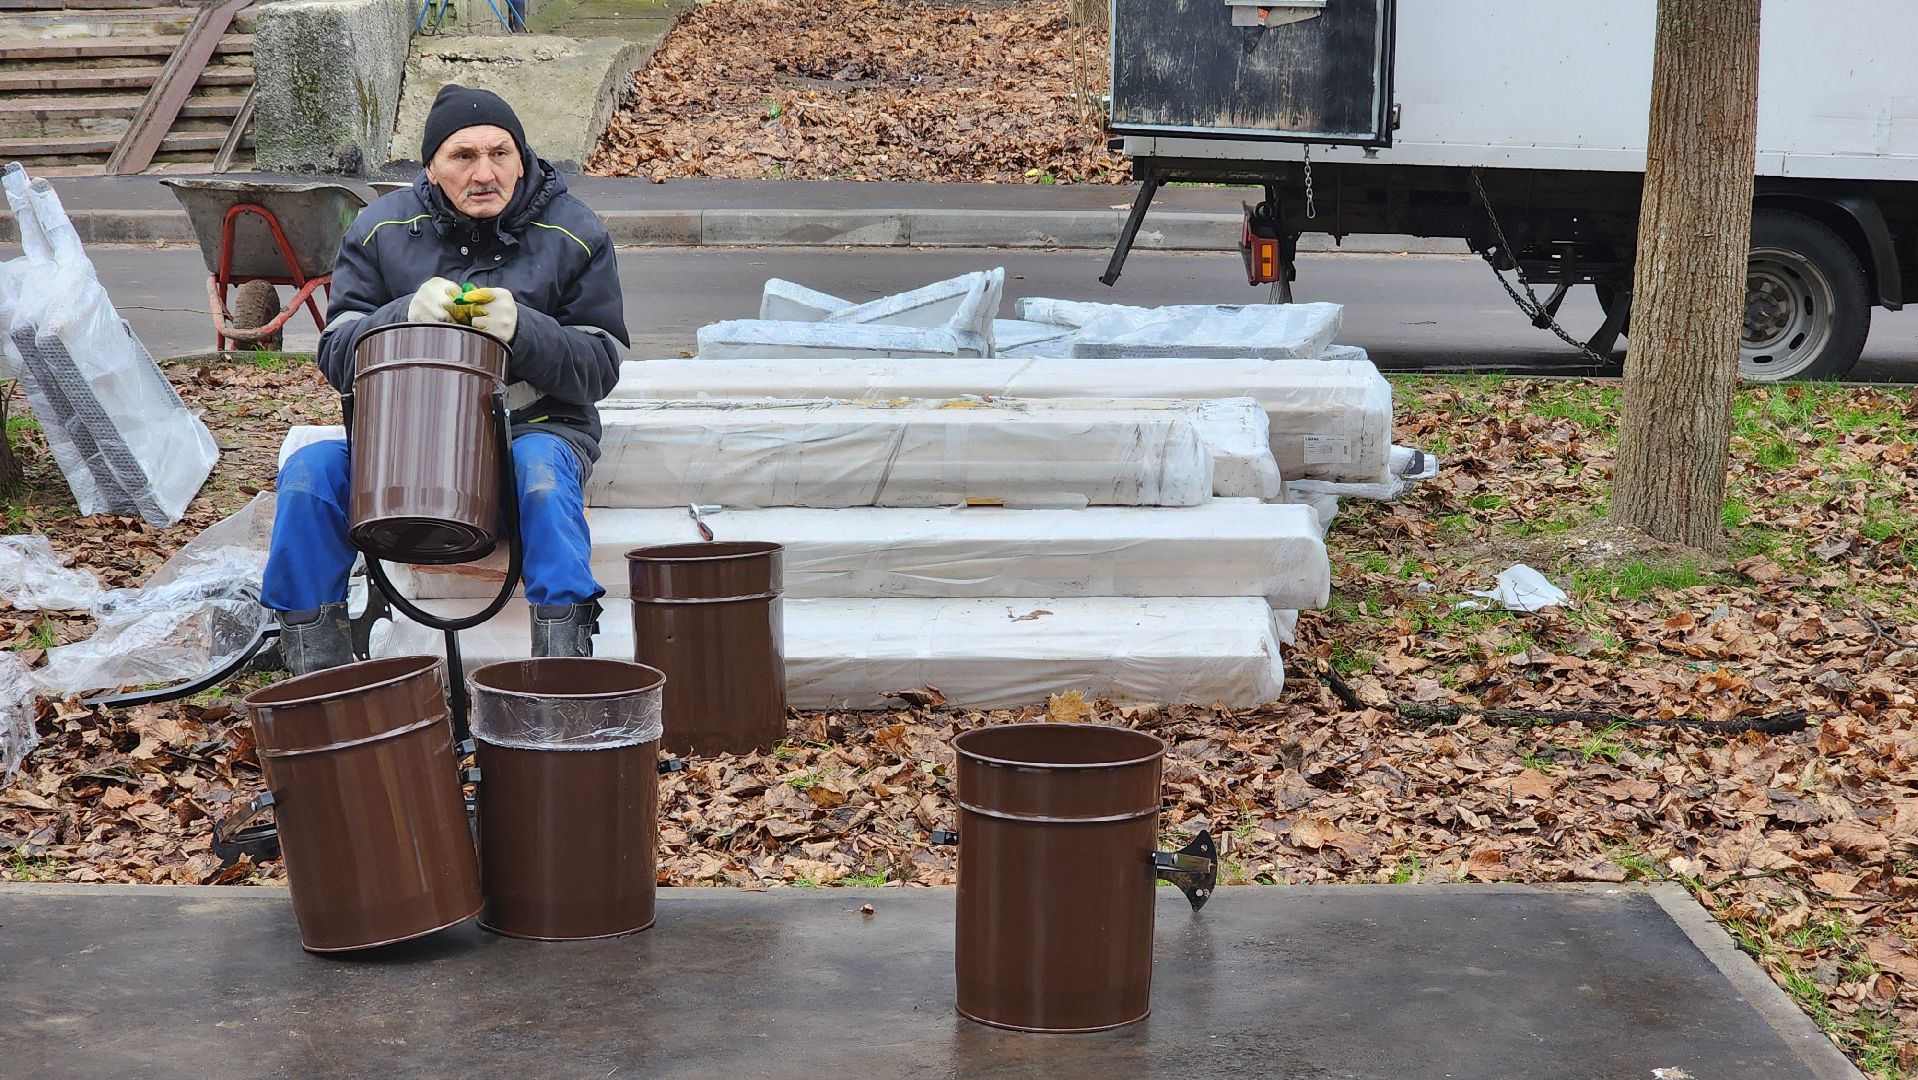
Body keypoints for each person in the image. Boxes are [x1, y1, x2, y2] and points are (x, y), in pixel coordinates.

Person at [260, 84, 628, 675]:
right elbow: (335, 354)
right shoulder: (380, 229)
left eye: (500, 153)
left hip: (528, 439)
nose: (485, 172)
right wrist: (399, 317)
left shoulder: (575, 232)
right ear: (430, 167)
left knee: (540, 469)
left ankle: (565, 673)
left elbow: (600, 368)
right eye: (463, 156)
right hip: (402, 453)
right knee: (310, 472)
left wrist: (523, 331)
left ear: (523, 156)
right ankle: (316, 677)